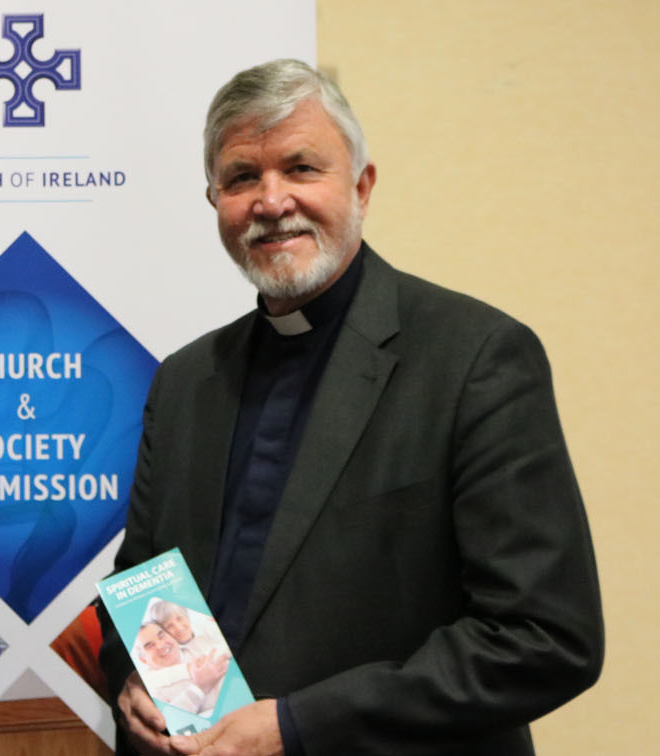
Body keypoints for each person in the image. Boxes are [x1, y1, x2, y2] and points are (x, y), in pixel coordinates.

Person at [100, 59, 603, 756]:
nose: (271, 201)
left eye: (302, 168)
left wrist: (296, 728)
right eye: (243, 177)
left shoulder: (476, 358)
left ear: (362, 187)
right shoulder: (185, 380)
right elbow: (140, 581)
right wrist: (134, 677)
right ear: (215, 200)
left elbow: (544, 638)